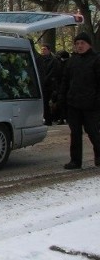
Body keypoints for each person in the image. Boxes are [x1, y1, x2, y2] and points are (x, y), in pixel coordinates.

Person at [57, 32, 100, 169]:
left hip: (91, 104)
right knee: (75, 133)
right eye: (77, 43)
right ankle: (75, 160)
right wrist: (61, 98)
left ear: (89, 45)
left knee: (93, 132)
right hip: (73, 103)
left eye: (82, 43)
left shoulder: (96, 59)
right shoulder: (72, 61)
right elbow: (65, 81)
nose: (79, 46)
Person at [39, 43, 62, 126]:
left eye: (44, 49)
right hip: (43, 84)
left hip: (50, 85)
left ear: (49, 50)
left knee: (49, 102)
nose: (43, 51)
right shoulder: (40, 59)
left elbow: (54, 72)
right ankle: (47, 118)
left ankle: (50, 119)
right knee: (44, 103)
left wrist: (46, 79)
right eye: (42, 49)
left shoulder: (54, 60)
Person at [55, 50, 70, 124]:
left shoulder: (66, 64)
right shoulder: (60, 63)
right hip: (61, 86)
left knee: (65, 103)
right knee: (61, 103)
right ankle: (63, 118)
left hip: (65, 87)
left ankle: (65, 118)